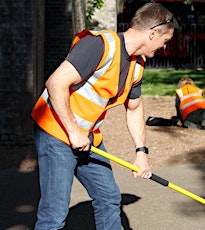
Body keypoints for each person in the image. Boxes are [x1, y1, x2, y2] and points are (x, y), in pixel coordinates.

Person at [30, 3, 178, 229]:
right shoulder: (99, 45)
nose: (164, 47)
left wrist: (141, 153)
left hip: (87, 138)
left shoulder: (137, 66)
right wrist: (73, 132)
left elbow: (135, 108)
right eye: (165, 41)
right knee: (54, 214)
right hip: (57, 133)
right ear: (153, 32)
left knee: (109, 198)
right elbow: (55, 82)